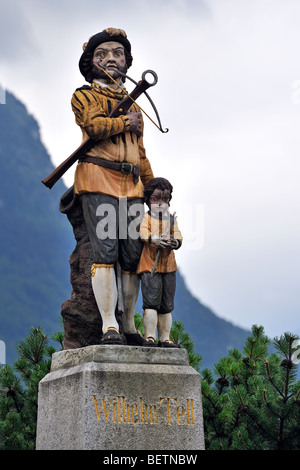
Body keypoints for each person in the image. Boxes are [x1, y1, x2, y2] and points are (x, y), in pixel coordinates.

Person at [71, 27, 154, 345]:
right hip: (99, 180)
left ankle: (129, 325)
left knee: (132, 256)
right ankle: (109, 325)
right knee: (105, 253)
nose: (110, 59)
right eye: (102, 54)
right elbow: (93, 125)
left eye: (117, 53)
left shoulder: (135, 106)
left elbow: (141, 153)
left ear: (127, 61)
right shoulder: (84, 95)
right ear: (91, 62)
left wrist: (152, 187)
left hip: (131, 185)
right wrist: (123, 123)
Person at [136, 177, 183, 347]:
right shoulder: (147, 218)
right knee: (151, 303)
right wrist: (154, 239)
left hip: (169, 266)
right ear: (148, 200)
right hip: (150, 265)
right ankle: (150, 336)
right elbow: (142, 233)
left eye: (165, 199)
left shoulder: (171, 220)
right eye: (156, 199)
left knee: (166, 305)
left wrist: (174, 242)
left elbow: (178, 235)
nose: (161, 204)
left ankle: (165, 337)